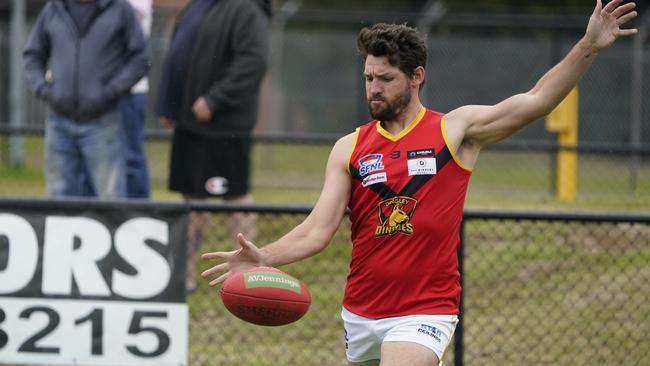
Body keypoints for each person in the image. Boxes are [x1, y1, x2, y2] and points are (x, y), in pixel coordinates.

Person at [201, 1, 638, 365]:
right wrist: (264, 257)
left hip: (425, 309)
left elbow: (537, 100)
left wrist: (588, 46)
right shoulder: (349, 148)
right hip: (361, 312)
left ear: (416, 76)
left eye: (386, 79)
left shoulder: (455, 131)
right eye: (369, 78)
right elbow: (319, 230)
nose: (374, 88)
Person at [156, 0, 271, 291]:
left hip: (224, 128)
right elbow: (178, 54)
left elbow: (253, 61)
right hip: (190, 126)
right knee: (192, 200)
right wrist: (169, 104)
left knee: (235, 199)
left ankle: (248, 271)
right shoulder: (199, 5)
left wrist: (214, 100)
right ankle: (184, 274)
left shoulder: (247, 9)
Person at [23, 0, 149, 199]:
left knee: (111, 198)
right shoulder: (55, 8)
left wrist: (110, 92)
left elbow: (140, 58)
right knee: (59, 199)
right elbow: (32, 55)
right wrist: (43, 89)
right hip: (59, 121)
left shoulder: (120, 9)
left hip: (104, 121)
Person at [79, 0, 152, 198]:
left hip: (128, 90)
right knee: (87, 155)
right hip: (90, 90)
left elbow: (122, 19)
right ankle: (88, 215)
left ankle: (137, 216)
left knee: (130, 158)